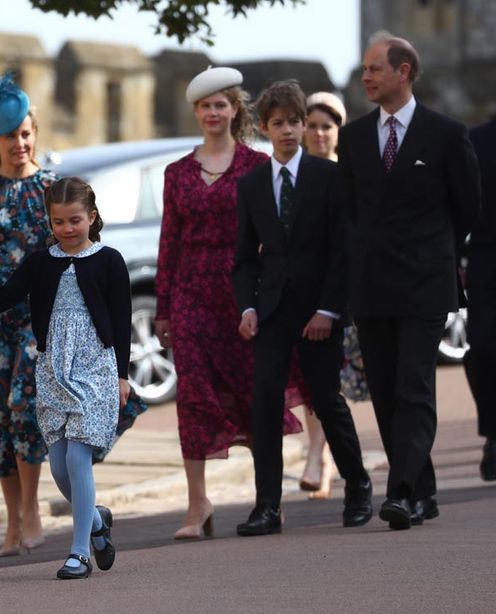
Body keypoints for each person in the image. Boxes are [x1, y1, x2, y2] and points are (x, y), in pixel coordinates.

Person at [153, 66, 304, 539]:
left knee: (256, 397)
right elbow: (168, 243)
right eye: (205, 105)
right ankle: (197, 504)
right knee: (194, 397)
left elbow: (275, 237)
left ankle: (267, 500)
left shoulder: (258, 167)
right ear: (196, 112)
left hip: (245, 297)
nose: (213, 112)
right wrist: (163, 308)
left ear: (235, 109)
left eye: (222, 104)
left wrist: (274, 298)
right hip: (191, 296)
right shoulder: (176, 173)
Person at [337, 32, 480, 529]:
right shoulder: (353, 138)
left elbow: (468, 206)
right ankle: (425, 490)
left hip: (425, 282)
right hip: (373, 285)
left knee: (414, 385)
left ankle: (399, 491)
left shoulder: (445, 133)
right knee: (386, 390)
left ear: (404, 72)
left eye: (375, 69)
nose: (366, 78)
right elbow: (351, 212)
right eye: (364, 70)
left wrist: (433, 251)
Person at [0, 177, 128, 579]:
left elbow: (121, 322)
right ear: (49, 222)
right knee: (58, 467)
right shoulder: (39, 262)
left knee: (77, 456)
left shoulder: (110, 261)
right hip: (53, 369)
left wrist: (122, 377)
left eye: (75, 220)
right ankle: (97, 522)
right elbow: (3, 298)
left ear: (92, 217)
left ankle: (79, 551)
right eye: (59, 222)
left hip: (96, 367)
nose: (67, 229)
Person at [231, 80, 372, 536]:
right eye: (279, 123)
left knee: (327, 400)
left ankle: (358, 487)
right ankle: (268, 507)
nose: (290, 130)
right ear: (264, 129)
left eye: (296, 122)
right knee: (265, 405)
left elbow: (342, 251)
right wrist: (247, 308)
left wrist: (329, 311)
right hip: (271, 312)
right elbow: (243, 260)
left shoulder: (329, 177)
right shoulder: (251, 185)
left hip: (319, 311)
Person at [0, 73, 55, 556]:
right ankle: (10, 521)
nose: (19, 143)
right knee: (1, 414)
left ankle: (32, 509)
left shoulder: (51, 189)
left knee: (26, 407)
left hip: (36, 318)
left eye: (25, 133)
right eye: (9, 135)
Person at [299, 91, 368, 499]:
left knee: (336, 386)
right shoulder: (295, 176)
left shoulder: (351, 175)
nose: (319, 133)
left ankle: (327, 456)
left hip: (349, 297)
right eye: (312, 125)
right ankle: (318, 454)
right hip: (310, 294)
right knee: (318, 384)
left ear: (339, 131)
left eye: (328, 126)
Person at [464, 60, 496, 482]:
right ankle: (495, 435)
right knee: (482, 351)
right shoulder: (476, 141)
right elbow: (459, 206)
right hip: (488, 263)